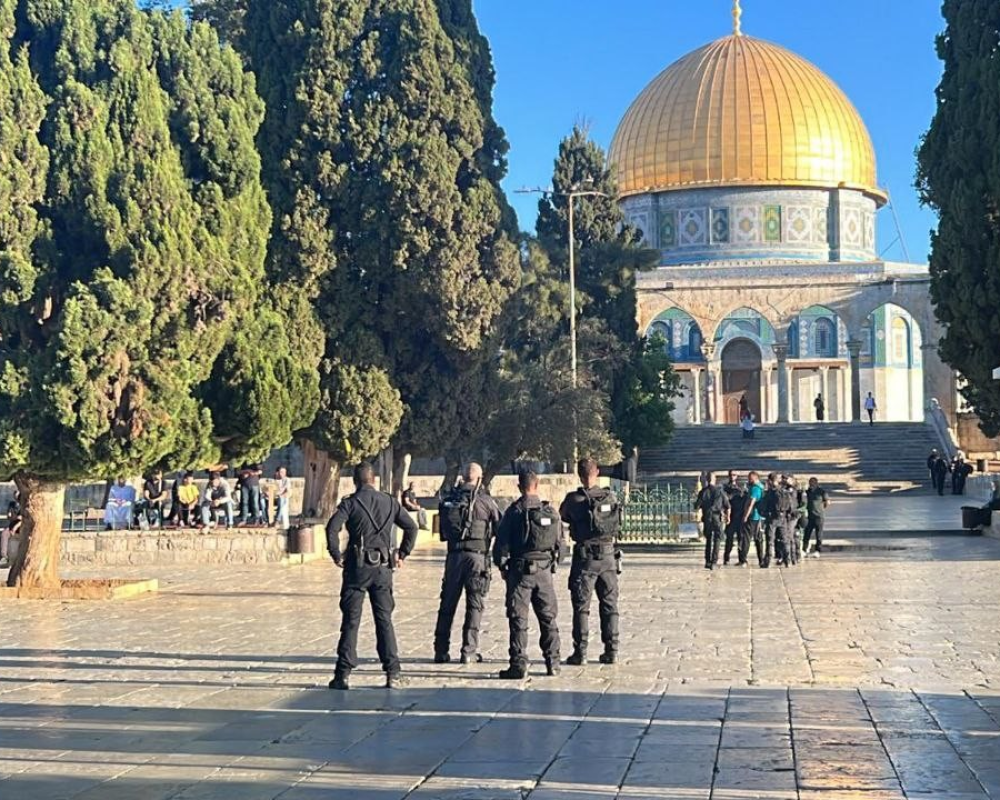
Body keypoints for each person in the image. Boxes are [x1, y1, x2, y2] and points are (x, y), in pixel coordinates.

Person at [325, 462, 418, 690]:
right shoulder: (390, 502)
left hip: (356, 568)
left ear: (355, 481)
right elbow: (412, 527)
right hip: (383, 568)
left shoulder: (351, 503)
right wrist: (402, 553)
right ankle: (393, 672)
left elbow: (332, 528)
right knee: (384, 619)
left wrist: (336, 554)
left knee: (351, 621)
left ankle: (343, 675)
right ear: (374, 480)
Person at [494, 470, 562, 679]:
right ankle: (553, 662)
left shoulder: (514, 512)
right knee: (548, 617)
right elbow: (561, 543)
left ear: (519, 486)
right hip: (544, 571)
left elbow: (501, 544)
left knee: (518, 619)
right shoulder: (549, 511)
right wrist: (553, 565)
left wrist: (502, 567)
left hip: (519, 571)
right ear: (537, 485)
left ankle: (519, 664)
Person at [433, 463, 501, 665]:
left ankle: (441, 650)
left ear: (462, 477)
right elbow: (500, 527)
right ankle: (468, 651)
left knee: (447, 604)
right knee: (475, 605)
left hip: (454, 557)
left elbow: (442, 531)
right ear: (479, 478)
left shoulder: (448, 500)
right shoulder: (485, 501)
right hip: (477, 558)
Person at [559, 458, 621, 665]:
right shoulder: (610, 497)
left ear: (579, 475)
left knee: (581, 606)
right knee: (610, 604)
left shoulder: (574, 499)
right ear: (597, 473)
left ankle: (581, 652)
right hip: (608, 556)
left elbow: (564, 516)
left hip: (585, 558)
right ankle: (611, 650)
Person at [696, 472, 730, 572]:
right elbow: (727, 505)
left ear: (706, 479)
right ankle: (714, 561)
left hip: (707, 517)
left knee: (708, 539)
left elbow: (697, 506)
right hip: (716, 517)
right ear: (715, 479)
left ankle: (707, 560)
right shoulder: (720, 491)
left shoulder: (703, 492)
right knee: (717, 539)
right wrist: (728, 517)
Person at [722, 471, 747, 566]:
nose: (732, 477)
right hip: (731, 516)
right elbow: (724, 500)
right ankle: (726, 558)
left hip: (739, 516)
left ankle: (741, 559)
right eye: (731, 475)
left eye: (734, 475)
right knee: (729, 539)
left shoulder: (741, 487)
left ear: (737, 476)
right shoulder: (725, 487)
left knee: (741, 539)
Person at [741, 471, 763, 569]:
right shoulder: (761, 487)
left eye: (750, 478)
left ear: (755, 478)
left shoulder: (755, 489)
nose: (748, 480)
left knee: (747, 539)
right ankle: (761, 559)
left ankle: (743, 560)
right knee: (758, 539)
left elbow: (751, 503)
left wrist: (745, 515)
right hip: (759, 517)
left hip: (753, 517)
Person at [803, 477, 829, 557]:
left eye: (813, 482)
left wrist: (821, 509)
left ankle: (818, 550)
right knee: (806, 534)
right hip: (809, 516)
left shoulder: (821, 492)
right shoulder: (807, 492)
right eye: (810, 482)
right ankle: (804, 550)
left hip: (819, 516)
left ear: (817, 483)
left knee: (819, 535)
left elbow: (827, 502)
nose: (811, 484)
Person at [0, 493, 22, 569]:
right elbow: (10, 517)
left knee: (5, 533)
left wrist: (15, 527)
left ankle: (4, 557)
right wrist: (10, 515)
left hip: (21, 528)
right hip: (12, 526)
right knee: (4, 533)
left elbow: (22, 519)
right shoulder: (13, 504)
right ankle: (3, 556)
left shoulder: (25, 506)